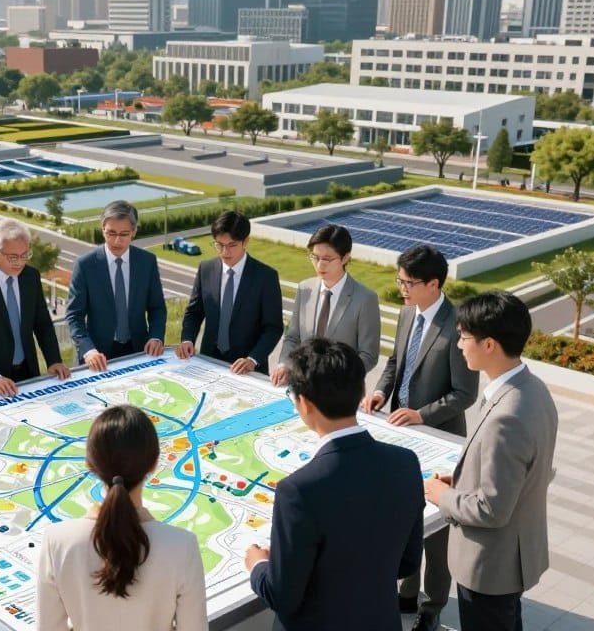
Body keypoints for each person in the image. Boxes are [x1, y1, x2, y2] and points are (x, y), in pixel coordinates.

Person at [246, 339, 424, 631]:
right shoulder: (406, 463)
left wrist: (257, 565)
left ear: (304, 403)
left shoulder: (299, 491)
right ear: (360, 391)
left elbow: (282, 595)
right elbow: (407, 563)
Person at [361, 244, 479, 630]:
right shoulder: (408, 311)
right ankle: (407, 592)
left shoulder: (458, 323)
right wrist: (380, 391)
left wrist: (421, 415)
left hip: (440, 439)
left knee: (436, 534)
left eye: (409, 283)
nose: (401, 289)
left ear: (434, 283)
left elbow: (465, 394)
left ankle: (434, 607)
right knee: (405, 518)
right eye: (399, 280)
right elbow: (396, 362)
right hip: (400, 434)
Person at [426, 292, 558, 631]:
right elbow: (521, 473)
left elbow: (492, 509)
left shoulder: (506, 416)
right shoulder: (534, 389)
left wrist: (442, 497)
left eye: (464, 337)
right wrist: (461, 483)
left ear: (489, 345)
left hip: (490, 566)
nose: (458, 345)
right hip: (512, 558)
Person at [37, 404, 206, 631]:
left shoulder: (57, 541)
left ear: (90, 465)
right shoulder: (182, 545)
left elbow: (48, 627)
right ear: (154, 463)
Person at [0, 219, 71, 395]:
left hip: (27, 375)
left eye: (24, 255)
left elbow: (42, 324)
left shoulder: (31, 277)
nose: (19, 262)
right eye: (12, 257)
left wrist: (54, 360)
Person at [272, 224, 380, 386]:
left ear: (345, 258)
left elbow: (368, 355)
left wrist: (341, 379)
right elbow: (293, 337)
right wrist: (285, 365)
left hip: (340, 391)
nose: (320, 265)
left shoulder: (365, 299)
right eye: (315, 257)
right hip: (300, 384)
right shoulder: (304, 288)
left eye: (327, 259)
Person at [176, 211, 283, 374]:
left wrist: (252, 359)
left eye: (232, 245)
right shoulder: (206, 269)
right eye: (219, 245)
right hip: (208, 363)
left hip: (248, 369)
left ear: (245, 241)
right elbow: (194, 312)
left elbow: (273, 328)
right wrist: (187, 339)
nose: (225, 252)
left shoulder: (266, 276)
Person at [66, 200, 166, 371]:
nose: (117, 241)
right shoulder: (85, 265)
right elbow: (74, 316)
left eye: (124, 234)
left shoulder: (147, 261)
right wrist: (88, 350)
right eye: (111, 233)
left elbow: (157, 308)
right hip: (97, 357)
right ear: (102, 229)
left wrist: (156, 337)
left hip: (139, 352)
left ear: (134, 232)